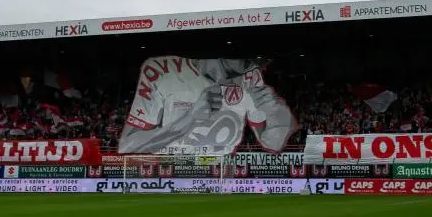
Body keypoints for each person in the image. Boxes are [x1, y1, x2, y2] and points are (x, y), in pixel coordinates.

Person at [118, 56, 298, 155]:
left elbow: (273, 143)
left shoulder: (251, 77)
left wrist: (277, 115)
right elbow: (128, 144)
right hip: (168, 168)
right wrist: (190, 118)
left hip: (221, 172)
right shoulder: (162, 70)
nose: (260, 64)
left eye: (261, 61)